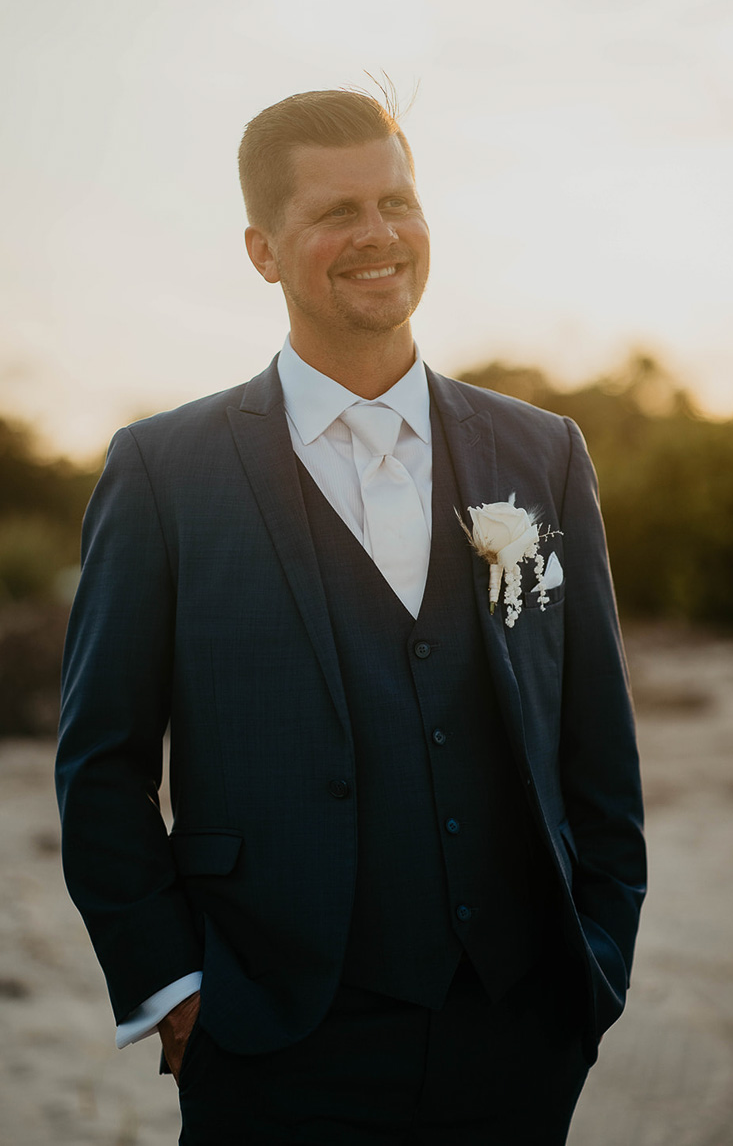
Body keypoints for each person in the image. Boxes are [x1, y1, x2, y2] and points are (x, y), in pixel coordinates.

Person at [56, 87, 646, 1145]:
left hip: (516, 1033)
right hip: (271, 1037)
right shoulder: (161, 471)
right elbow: (100, 763)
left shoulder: (540, 452)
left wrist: (593, 963)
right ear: (263, 249)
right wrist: (172, 985)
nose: (377, 236)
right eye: (336, 212)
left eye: (397, 202)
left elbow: (597, 737)